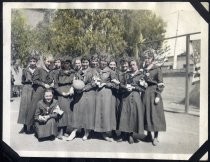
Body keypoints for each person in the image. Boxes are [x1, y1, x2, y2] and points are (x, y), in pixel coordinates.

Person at [67, 56, 96, 141]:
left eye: (86, 62)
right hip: (78, 94)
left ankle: (86, 132)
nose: (85, 64)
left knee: (87, 113)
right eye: (83, 62)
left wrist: (84, 88)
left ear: (89, 63)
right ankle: (74, 132)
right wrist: (73, 87)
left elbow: (94, 83)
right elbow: (74, 82)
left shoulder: (93, 71)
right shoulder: (78, 72)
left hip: (88, 94)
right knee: (77, 112)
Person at [118, 59, 146, 144]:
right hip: (126, 96)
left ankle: (131, 135)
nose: (132, 66)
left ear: (137, 65)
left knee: (133, 116)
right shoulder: (126, 74)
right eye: (131, 65)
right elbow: (121, 84)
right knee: (125, 115)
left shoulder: (141, 75)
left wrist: (134, 88)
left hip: (135, 96)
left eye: (134, 64)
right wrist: (125, 87)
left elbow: (143, 88)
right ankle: (123, 135)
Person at [142, 49, 166, 146]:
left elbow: (161, 84)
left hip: (154, 93)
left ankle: (156, 137)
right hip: (146, 93)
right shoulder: (144, 69)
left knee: (155, 115)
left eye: (148, 58)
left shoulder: (157, 69)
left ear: (152, 59)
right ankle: (148, 135)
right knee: (147, 114)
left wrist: (158, 95)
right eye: (145, 58)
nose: (146, 60)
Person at [25, 55, 55, 133]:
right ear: (44, 61)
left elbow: (53, 80)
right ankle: (29, 126)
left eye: (51, 62)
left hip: (48, 91)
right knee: (34, 108)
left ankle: (43, 127)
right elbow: (34, 80)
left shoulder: (52, 70)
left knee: (46, 108)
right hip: (40, 90)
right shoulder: (39, 69)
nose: (49, 63)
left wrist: (52, 84)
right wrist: (43, 84)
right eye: (48, 61)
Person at [94, 54, 119, 142]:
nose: (103, 63)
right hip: (97, 93)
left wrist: (105, 84)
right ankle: (99, 131)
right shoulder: (96, 70)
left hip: (107, 93)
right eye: (102, 61)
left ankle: (106, 132)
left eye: (105, 61)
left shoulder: (111, 71)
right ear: (99, 62)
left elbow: (115, 84)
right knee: (98, 112)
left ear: (107, 62)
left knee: (106, 113)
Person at [17, 55, 38, 133]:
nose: (32, 63)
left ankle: (32, 126)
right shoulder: (25, 70)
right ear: (29, 62)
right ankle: (25, 126)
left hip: (35, 88)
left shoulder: (38, 70)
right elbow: (22, 80)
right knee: (25, 107)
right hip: (26, 88)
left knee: (34, 106)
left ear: (36, 62)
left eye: (34, 61)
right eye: (31, 61)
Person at [55, 56, 75, 140]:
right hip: (61, 93)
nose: (66, 64)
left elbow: (76, 82)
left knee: (69, 112)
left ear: (70, 64)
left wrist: (72, 88)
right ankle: (61, 131)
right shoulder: (58, 73)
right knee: (62, 112)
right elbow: (55, 85)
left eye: (68, 63)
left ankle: (67, 130)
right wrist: (61, 92)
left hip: (70, 93)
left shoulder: (73, 73)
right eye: (65, 63)